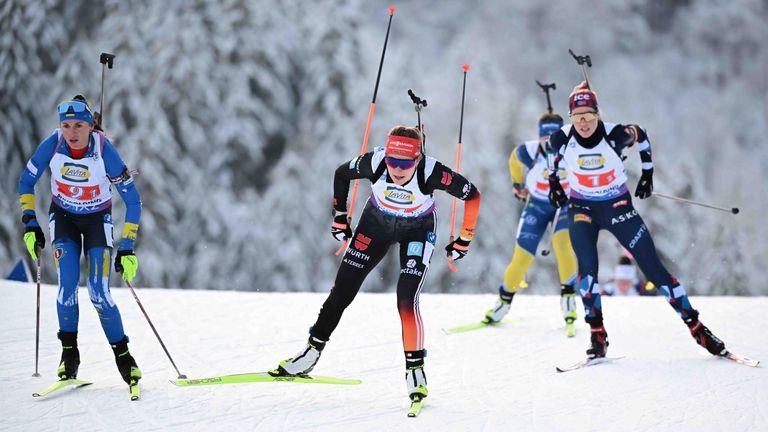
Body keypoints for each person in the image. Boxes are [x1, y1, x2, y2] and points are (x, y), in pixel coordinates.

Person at [271, 125, 480, 405]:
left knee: (406, 299)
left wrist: (464, 239)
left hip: (417, 231)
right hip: (375, 225)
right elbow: (342, 173)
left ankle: (415, 370)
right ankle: (310, 353)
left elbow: (472, 195)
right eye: (393, 161)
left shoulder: (431, 171)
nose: (397, 168)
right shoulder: (374, 161)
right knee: (342, 291)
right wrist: (339, 217)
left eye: (405, 163)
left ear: (417, 158)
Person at [547, 82, 728, 359]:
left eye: (589, 115)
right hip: (582, 208)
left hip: (616, 206)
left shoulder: (616, 134)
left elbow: (641, 134)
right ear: (570, 118)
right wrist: (554, 184)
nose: (583, 122)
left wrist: (647, 173)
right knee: (587, 272)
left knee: (653, 269)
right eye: (577, 116)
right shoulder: (562, 138)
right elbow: (552, 155)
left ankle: (698, 328)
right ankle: (598, 335)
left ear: (598, 113)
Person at [18, 95, 142, 386]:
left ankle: (125, 359)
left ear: (90, 127)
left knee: (98, 292)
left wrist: (127, 247)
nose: (71, 133)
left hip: (98, 221)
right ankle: (69, 357)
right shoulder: (54, 144)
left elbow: (133, 201)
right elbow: (26, 181)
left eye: (78, 126)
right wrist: (30, 221)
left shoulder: (104, 150)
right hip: (64, 220)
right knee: (67, 288)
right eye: (65, 125)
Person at [482, 113, 579, 337]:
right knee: (523, 256)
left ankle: (568, 300)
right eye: (545, 136)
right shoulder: (530, 151)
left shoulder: (571, 151)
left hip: (563, 206)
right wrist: (518, 184)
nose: (549, 140)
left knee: (562, 245)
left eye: (554, 136)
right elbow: (513, 160)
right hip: (536, 204)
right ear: (539, 136)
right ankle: (503, 303)